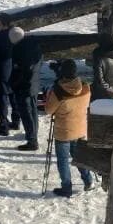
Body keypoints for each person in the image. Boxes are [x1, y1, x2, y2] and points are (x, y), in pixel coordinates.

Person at [44, 59, 93, 197]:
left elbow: (48, 110)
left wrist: (50, 95)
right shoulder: (85, 86)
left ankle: (66, 187)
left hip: (64, 131)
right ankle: (88, 180)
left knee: (63, 161)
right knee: (79, 156)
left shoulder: (58, 92)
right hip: (80, 128)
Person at [9, 27, 43, 151]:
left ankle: (32, 140)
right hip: (34, 84)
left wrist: (14, 83)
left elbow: (22, 71)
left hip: (24, 86)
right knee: (33, 110)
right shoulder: (34, 46)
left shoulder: (20, 50)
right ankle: (33, 134)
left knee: (26, 113)